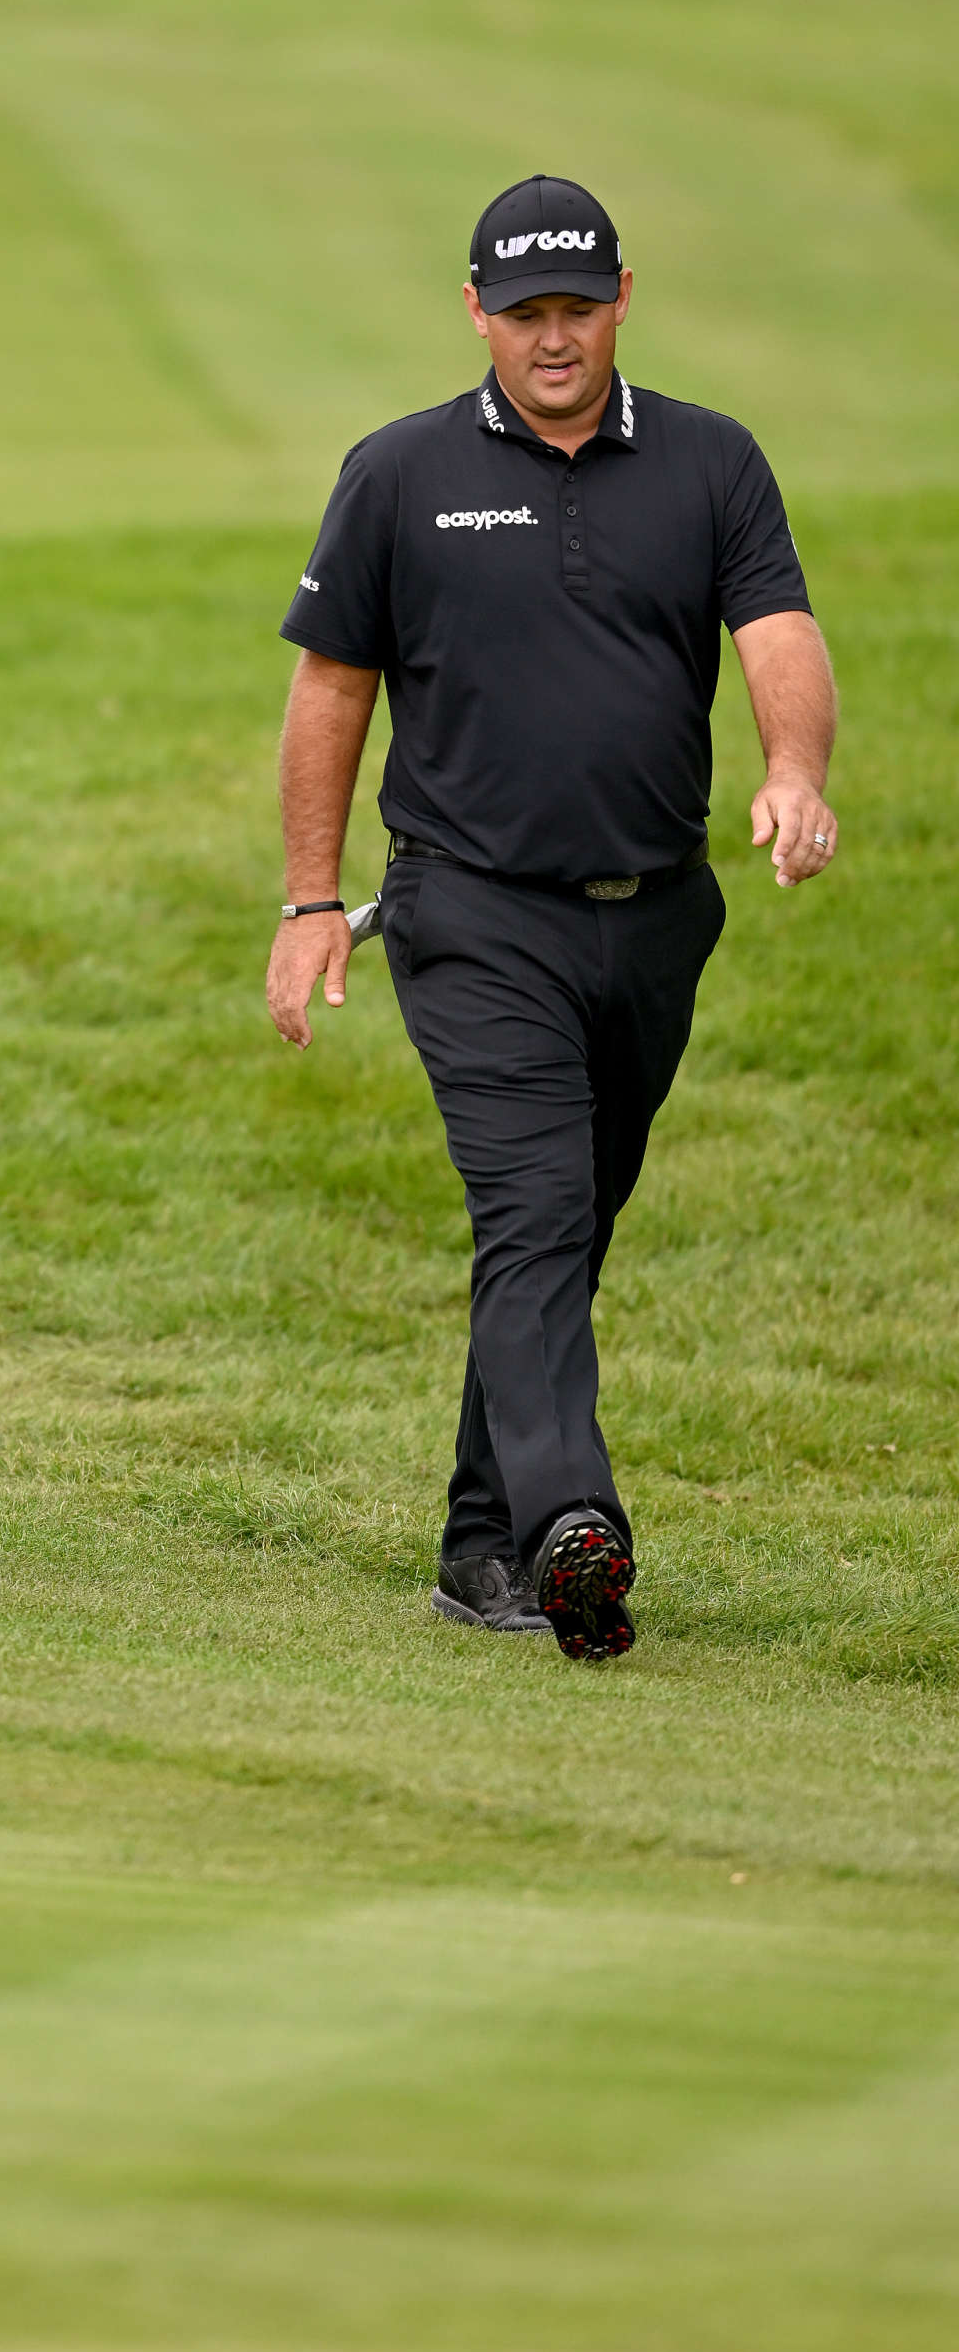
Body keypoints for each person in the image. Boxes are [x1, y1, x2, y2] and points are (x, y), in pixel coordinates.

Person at [266, 175, 837, 1661]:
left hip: (656, 916)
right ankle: (572, 1524)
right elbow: (331, 688)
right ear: (478, 314)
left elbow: (777, 629)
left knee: (561, 1240)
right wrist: (311, 898)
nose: (555, 336)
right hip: (473, 911)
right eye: (526, 312)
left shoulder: (713, 463)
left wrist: (796, 770)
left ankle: (478, 1547)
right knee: (535, 1212)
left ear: (621, 298)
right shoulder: (399, 473)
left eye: (578, 306)